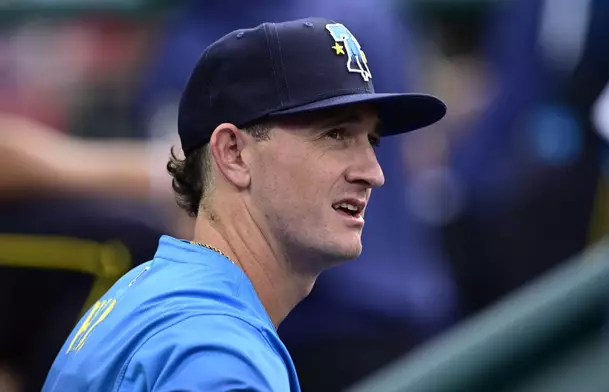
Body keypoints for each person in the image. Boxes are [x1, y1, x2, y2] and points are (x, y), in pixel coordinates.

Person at [41, 17, 446, 392]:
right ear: (233, 153)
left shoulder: (147, 290)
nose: (373, 173)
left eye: (371, 141)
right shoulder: (218, 357)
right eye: (336, 134)